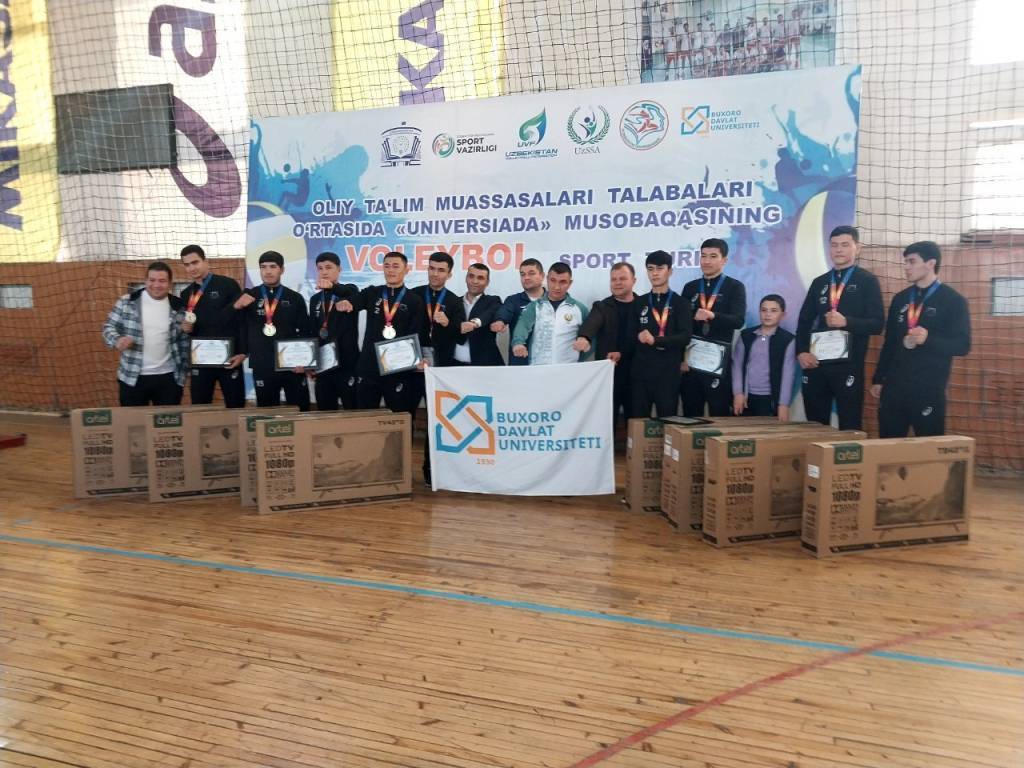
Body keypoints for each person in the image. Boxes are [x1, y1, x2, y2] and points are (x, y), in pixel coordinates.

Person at [871, 241, 971, 437]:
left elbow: (963, 345)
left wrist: (928, 339)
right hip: (894, 388)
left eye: (912, 261)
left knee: (929, 448)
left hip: (928, 389)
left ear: (930, 263)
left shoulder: (953, 300)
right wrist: (879, 379)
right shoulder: (900, 299)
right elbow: (890, 343)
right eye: (905, 262)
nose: (906, 267)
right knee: (888, 446)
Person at [796, 225, 884, 430]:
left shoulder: (867, 281)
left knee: (850, 425)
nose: (838, 250)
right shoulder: (820, 282)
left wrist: (847, 322)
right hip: (816, 364)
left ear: (857, 248)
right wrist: (801, 351)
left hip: (848, 366)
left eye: (845, 245)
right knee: (815, 426)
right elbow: (804, 321)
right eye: (834, 245)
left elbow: (878, 324)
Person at [411, 251, 467, 485]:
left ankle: (430, 471)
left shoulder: (454, 301)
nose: (435, 273)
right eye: (432, 268)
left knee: (435, 422)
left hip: (438, 370)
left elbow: (461, 337)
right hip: (412, 367)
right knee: (404, 417)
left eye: (441, 270)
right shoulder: (414, 295)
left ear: (449, 274)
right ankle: (397, 471)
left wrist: (448, 323)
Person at [102, 261, 189, 406]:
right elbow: (108, 327)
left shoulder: (179, 307)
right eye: (152, 280)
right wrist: (117, 340)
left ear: (169, 283)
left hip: (169, 378)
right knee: (133, 420)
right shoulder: (126, 302)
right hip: (132, 376)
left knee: (168, 420)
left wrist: (184, 371)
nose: (156, 285)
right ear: (145, 281)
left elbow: (184, 340)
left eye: (162, 281)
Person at [233, 251, 311, 410]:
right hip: (262, 365)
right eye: (263, 267)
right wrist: (242, 351)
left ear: (282, 270)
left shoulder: (295, 298)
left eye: (273, 267)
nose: (268, 271)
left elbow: (306, 331)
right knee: (267, 412)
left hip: (292, 365)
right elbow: (240, 327)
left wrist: (306, 361)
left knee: (300, 410)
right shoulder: (249, 296)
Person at [680, 238, 746, 417]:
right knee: (690, 415)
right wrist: (681, 358)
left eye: (713, 256)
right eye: (703, 256)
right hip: (691, 364)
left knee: (719, 414)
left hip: (717, 364)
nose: (707, 261)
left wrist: (713, 316)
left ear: (724, 260)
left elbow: (738, 320)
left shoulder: (735, 287)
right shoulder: (690, 288)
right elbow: (681, 326)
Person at [353, 251, 425, 415]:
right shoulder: (372, 293)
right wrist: (346, 302)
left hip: (398, 368)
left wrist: (415, 359)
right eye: (387, 266)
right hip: (369, 367)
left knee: (399, 417)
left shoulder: (414, 300)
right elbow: (353, 299)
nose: (390, 270)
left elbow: (416, 333)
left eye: (395, 266)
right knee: (365, 416)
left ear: (406, 269)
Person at [178, 244, 246, 407]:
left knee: (235, 406)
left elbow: (243, 321)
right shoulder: (186, 294)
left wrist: (243, 353)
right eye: (187, 265)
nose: (192, 268)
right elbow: (191, 327)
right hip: (201, 359)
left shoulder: (228, 285)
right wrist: (187, 329)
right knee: (200, 407)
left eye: (195, 262)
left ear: (206, 261)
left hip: (230, 358)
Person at [575, 262, 638, 427]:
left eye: (622, 278)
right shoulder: (602, 306)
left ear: (634, 281)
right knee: (606, 423)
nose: (617, 283)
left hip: (637, 375)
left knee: (637, 424)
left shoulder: (643, 305)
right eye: (613, 279)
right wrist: (584, 337)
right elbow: (591, 324)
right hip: (609, 376)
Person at [630, 250, 692, 417]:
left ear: (670, 271)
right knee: (639, 422)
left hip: (668, 373)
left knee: (668, 420)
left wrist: (656, 340)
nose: (655, 273)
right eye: (650, 269)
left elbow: (685, 337)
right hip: (641, 374)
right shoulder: (639, 302)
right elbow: (630, 334)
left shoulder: (681, 303)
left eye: (660, 268)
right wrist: (637, 336)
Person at [308, 251, 360, 411]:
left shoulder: (350, 292)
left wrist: (333, 287)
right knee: (325, 412)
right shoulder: (315, 300)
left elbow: (351, 293)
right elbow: (313, 332)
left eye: (329, 267)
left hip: (347, 365)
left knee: (352, 412)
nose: (324, 272)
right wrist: (311, 361)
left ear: (339, 269)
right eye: (320, 268)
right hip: (324, 366)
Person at [732, 294, 796, 420]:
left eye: (774, 311)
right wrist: (738, 393)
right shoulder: (746, 335)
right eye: (764, 310)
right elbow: (737, 366)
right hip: (745, 398)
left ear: (783, 314)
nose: (768, 314)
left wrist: (783, 404)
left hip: (770, 399)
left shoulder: (788, 340)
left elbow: (788, 374)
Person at [511, 263, 589, 364]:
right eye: (553, 280)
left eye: (562, 282)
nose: (557, 287)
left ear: (570, 283)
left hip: (569, 368)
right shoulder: (535, 306)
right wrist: (518, 343)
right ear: (547, 279)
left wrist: (580, 358)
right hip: (538, 367)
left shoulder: (580, 309)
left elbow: (591, 336)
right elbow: (523, 326)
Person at [491, 258, 546, 364]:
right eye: (522, 274)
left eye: (531, 273)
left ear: (542, 276)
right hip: (520, 363)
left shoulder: (553, 300)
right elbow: (504, 312)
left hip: (548, 363)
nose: (526, 277)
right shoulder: (513, 300)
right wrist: (500, 321)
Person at [453, 263, 504, 366]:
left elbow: (489, 314)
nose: (475, 281)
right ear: (466, 278)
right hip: (454, 366)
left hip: (485, 366)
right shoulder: (454, 302)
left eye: (480, 278)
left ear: (487, 282)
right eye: (471, 276)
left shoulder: (493, 301)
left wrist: (474, 323)